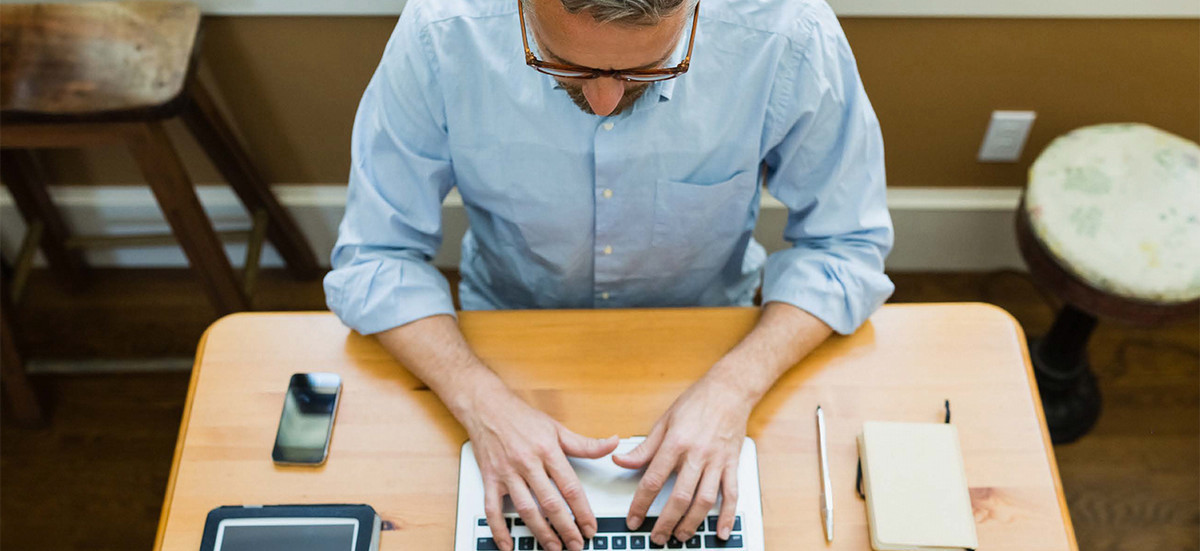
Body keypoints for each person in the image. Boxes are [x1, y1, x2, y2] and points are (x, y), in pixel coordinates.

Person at [324, 0, 893, 549]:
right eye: (563, 66)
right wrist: (480, 403)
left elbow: (844, 246)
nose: (602, 101)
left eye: (651, 69)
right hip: (502, 346)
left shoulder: (790, 31)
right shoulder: (440, 29)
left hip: (711, 348)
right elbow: (378, 256)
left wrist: (734, 387)